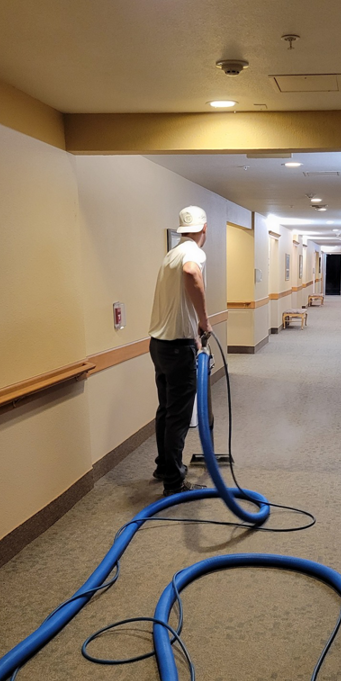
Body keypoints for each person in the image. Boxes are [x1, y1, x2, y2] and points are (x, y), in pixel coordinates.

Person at [148, 205, 213, 496]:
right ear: (204, 229)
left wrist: (194, 334)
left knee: (166, 409)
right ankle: (174, 483)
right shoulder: (192, 253)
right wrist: (204, 321)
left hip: (159, 345)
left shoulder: (170, 254)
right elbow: (192, 272)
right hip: (177, 348)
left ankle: (164, 466)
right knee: (178, 416)